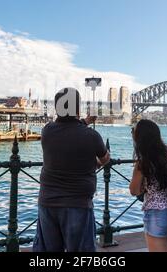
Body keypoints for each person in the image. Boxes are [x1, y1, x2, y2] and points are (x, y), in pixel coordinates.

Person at [33, 87, 110, 252]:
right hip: (78, 203)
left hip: (48, 202)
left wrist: (84, 121)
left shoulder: (47, 131)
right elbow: (105, 159)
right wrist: (95, 163)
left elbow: (67, 130)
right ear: (77, 109)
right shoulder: (91, 136)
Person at [129, 119, 167, 252]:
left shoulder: (143, 163)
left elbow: (133, 190)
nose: (132, 133)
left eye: (133, 131)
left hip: (156, 214)